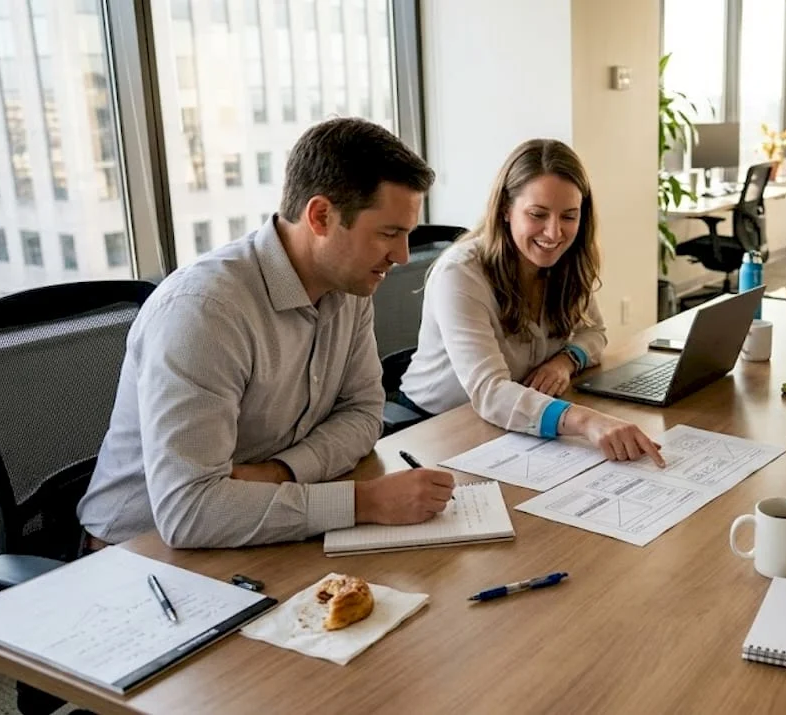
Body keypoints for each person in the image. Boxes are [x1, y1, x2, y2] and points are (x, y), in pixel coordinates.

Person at [78, 118, 456, 549]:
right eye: (389, 234)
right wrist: (361, 502)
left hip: (264, 521)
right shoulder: (204, 312)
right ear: (321, 216)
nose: (403, 256)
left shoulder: (349, 287)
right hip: (141, 554)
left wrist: (282, 472)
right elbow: (189, 512)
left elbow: (364, 412)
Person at [399, 139, 664, 465]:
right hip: (435, 425)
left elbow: (595, 333)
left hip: (512, 417)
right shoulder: (461, 273)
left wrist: (565, 361)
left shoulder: (566, 261)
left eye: (569, 216)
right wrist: (587, 421)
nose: (554, 233)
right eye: (538, 214)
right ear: (505, 210)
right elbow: (491, 392)